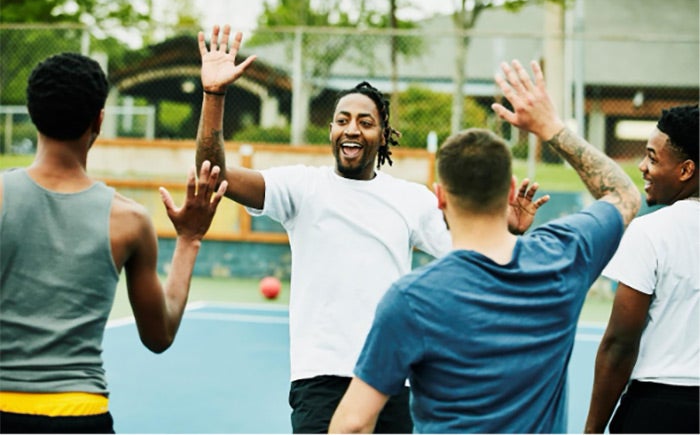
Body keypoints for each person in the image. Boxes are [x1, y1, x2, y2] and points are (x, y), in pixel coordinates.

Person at [194, 25, 549, 434]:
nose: (351, 129)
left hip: (392, 378)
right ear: (330, 131)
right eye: (342, 120)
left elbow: (471, 254)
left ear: (383, 136)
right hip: (320, 379)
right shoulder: (302, 188)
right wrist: (214, 95)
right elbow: (213, 170)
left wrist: (506, 228)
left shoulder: (411, 200)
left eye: (365, 122)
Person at [328, 59, 642, 434]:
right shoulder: (561, 259)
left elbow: (352, 425)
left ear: (440, 198)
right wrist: (550, 127)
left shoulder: (410, 299)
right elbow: (623, 193)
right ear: (511, 191)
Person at [0, 52, 227, 433]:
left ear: (31, 112)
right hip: (80, 415)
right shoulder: (129, 221)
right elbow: (160, 335)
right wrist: (188, 239)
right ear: (99, 120)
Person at [584, 104, 699, 434]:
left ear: (686, 170)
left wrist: (592, 430)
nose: (642, 167)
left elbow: (620, 343)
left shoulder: (652, 232)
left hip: (658, 408)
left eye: (652, 157)